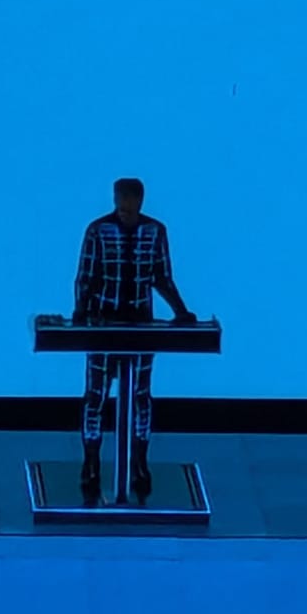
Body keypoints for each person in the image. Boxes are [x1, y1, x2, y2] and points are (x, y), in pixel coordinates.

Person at [72, 176, 194, 494]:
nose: (125, 205)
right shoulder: (98, 230)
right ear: (115, 198)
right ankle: (91, 461)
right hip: (103, 324)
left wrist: (181, 312)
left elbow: (162, 277)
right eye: (121, 198)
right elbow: (86, 277)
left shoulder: (155, 232)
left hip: (141, 325)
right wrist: (80, 314)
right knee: (95, 395)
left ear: (140, 200)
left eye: (131, 199)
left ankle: (140, 461)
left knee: (141, 395)